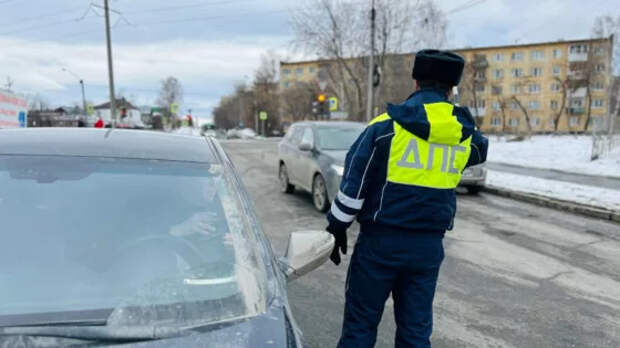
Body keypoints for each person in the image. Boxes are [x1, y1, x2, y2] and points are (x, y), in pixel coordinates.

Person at [326, 49, 489, 348]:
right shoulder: (462, 134)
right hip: (427, 249)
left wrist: (337, 227)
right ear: (452, 89)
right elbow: (479, 149)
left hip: (379, 245)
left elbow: (354, 185)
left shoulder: (385, 126)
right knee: (415, 332)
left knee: (360, 327)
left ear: (416, 83)